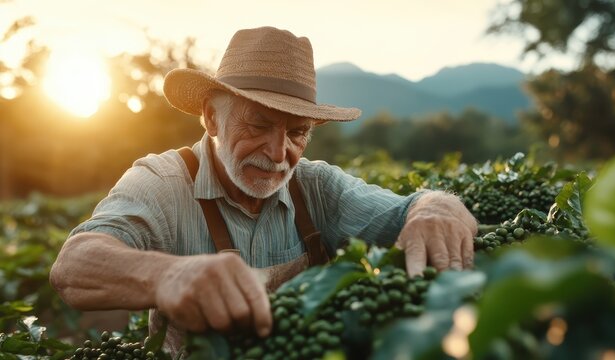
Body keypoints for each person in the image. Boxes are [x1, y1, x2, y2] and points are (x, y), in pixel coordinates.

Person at [50, 26, 477, 354]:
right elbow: (74, 267)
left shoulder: (317, 188)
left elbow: (408, 212)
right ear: (212, 119)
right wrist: (169, 273)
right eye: (257, 125)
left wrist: (437, 206)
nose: (278, 153)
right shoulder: (161, 183)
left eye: (297, 132)